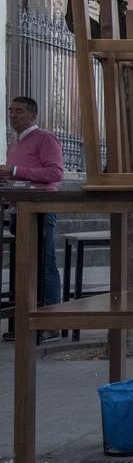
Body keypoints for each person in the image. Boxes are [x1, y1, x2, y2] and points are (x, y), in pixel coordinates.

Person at [2, 96, 64, 344]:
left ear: (32, 115)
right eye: (10, 110)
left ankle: (52, 324)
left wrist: (14, 171)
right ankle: (22, 322)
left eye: (19, 111)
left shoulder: (45, 139)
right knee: (23, 266)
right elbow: (18, 178)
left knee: (45, 264)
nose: (13, 115)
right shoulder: (13, 145)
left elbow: (55, 172)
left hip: (41, 209)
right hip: (19, 210)